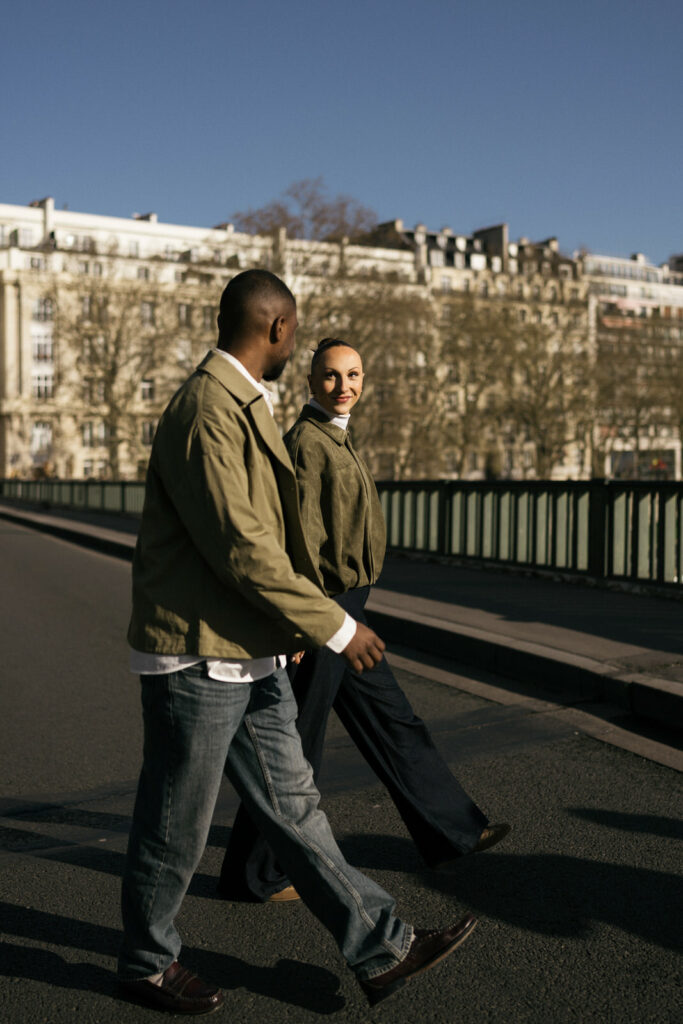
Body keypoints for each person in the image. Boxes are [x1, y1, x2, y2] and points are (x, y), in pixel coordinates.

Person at [118, 272, 478, 1015]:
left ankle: (380, 947)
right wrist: (336, 626)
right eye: (298, 332)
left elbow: (261, 543)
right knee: (175, 824)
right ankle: (147, 961)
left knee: (297, 809)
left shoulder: (241, 404)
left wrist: (291, 632)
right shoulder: (207, 411)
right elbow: (244, 548)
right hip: (195, 653)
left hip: (247, 649)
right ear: (278, 330)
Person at [220, 337, 510, 905]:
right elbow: (295, 544)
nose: (344, 386)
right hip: (327, 612)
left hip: (350, 608)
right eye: (331, 376)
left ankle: (453, 830)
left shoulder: (337, 434)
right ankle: (254, 875)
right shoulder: (307, 442)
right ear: (310, 382)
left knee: (394, 721)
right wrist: (303, 624)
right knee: (296, 745)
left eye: (353, 375)